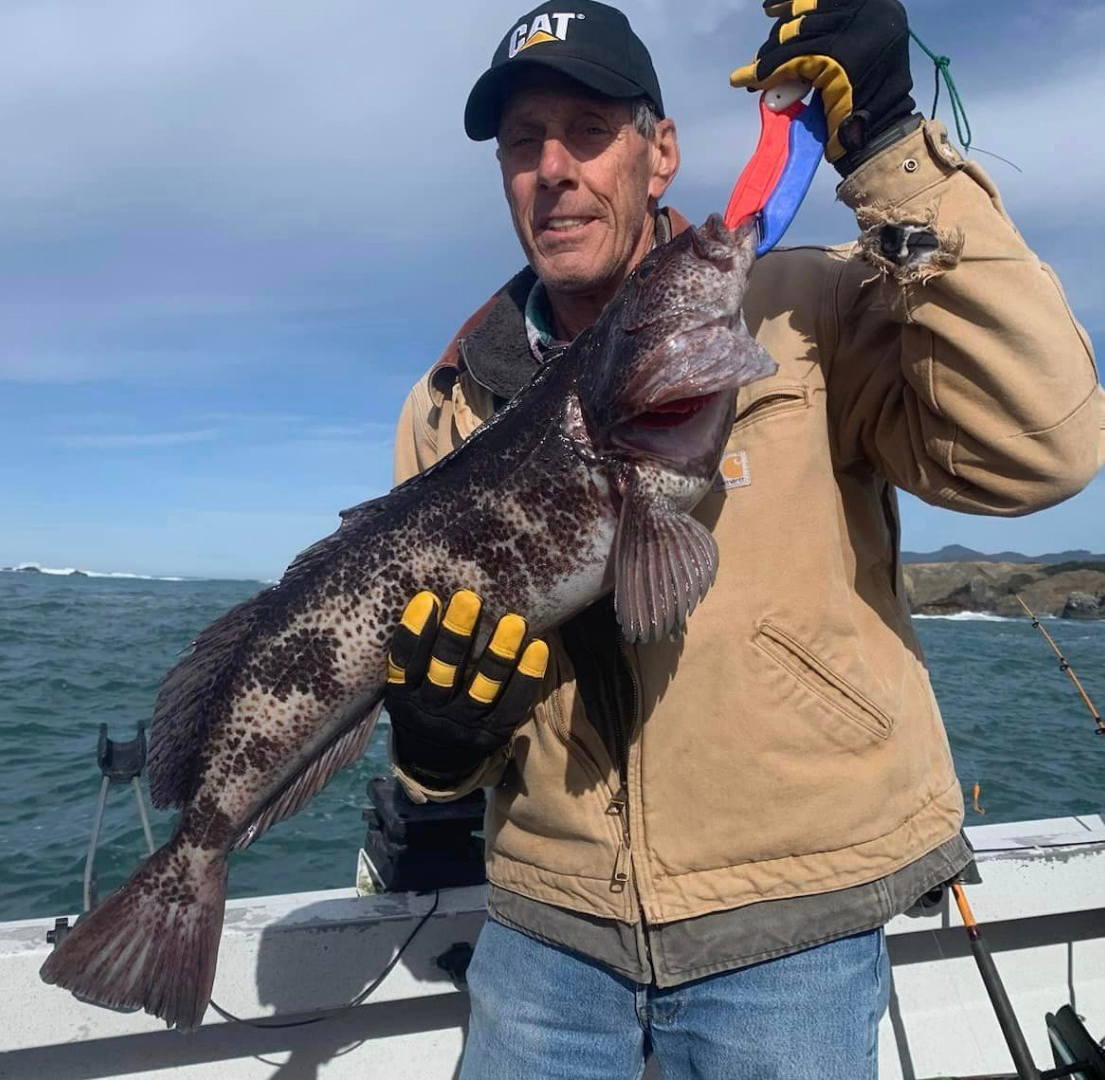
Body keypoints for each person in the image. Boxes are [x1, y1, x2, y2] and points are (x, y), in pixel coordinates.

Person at [383, 2, 1105, 1077]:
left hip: (790, 933)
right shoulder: (446, 403)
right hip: (542, 931)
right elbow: (428, 679)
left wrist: (890, 149)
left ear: (659, 152)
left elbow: (1040, 446)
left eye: (586, 130)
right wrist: (435, 748)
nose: (551, 168)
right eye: (521, 142)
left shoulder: (807, 303)